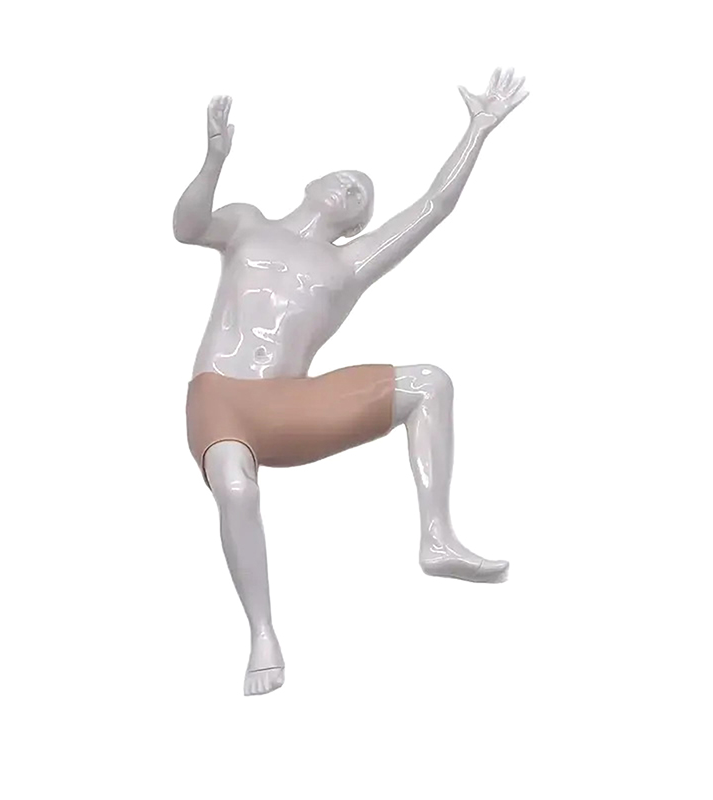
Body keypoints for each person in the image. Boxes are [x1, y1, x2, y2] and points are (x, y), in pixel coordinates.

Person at [174, 68, 528, 696]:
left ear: (357, 225)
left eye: (362, 194)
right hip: (221, 395)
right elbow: (186, 226)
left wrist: (477, 129)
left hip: (292, 403)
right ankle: (262, 634)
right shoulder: (247, 222)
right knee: (234, 487)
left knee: (430, 383)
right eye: (344, 178)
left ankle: (437, 537)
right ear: (311, 182)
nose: (351, 187)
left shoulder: (349, 262)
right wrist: (213, 159)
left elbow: (433, 206)